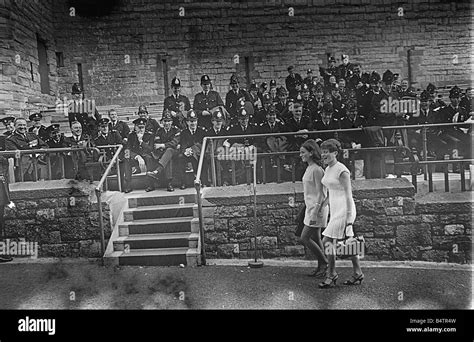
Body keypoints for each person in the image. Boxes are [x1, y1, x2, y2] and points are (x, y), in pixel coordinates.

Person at [319, 138, 363, 288]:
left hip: (345, 209)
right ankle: (357, 273)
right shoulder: (327, 168)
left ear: (335, 153)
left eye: (326, 152)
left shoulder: (342, 170)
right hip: (335, 208)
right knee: (346, 243)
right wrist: (322, 206)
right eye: (322, 152)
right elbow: (330, 192)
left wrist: (349, 219)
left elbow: (348, 194)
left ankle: (331, 274)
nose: (323, 155)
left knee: (327, 242)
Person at [299, 139, 329, 278]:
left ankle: (324, 263)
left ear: (311, 153)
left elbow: (322, 193)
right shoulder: (309, 167)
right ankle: (321, 266)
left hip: (317, 210)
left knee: (304, 238)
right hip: (310, 208)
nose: (301, 155)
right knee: (316, 238)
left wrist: (315, 212)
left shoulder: (317, 170)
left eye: (303, 152)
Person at [146, 111, 181, 192]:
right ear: (162, 122)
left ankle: (157, 171)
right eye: (165, 121)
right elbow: (156, 144)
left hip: (175, 152)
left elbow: (175, 143)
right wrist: (163, 146)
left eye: (168, 121)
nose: (167, 123)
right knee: (151, 156)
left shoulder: (176, 130)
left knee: (169, 150)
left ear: (171, 122)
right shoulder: (159, 131)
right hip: (163, 153)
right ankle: (167, 184)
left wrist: (163, 145)